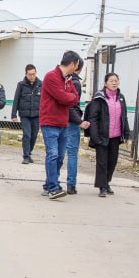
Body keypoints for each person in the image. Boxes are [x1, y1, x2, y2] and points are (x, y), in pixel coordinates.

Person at [39, 51, 81, 199]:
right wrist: (68, 97)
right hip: (50, 121)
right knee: (53, 154)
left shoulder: (68, 80)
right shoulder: (51, 76)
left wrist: (69, 97)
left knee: (60, 156)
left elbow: (75, 98)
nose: (76, 68)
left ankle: (50, 183)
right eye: (76, 65)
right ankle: (52, 188)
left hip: (63, 122)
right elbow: (63, 98)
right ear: (72, 64)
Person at [83, 72, 131, 197]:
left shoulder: (121, 98)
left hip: (115, 136)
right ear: (105, 83)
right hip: (101, 135)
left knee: (112, 161)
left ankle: (107, 182)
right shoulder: (99, 98)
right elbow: (92, 118)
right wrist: (95, 136)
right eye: (111, 81)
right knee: (102, 162)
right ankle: (102, 187)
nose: (114, 83)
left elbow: (124, 117)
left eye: (116, 80)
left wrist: (126, 135)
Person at [10, 64, 41, 164]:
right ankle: (26, 156)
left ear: (36, 73)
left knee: (34, 135)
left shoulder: (41, 84)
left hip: (37, 114)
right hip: (24, 114)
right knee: (27, 134)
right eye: (30, 74)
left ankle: (29, 152)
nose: (32, 76)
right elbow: (16, 99)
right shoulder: (21, 85)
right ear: (26, 74)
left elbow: (45, 101)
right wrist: (13, 114)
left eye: (33, 74)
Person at [63, 59, 85, 194]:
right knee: (71, 153)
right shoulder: (75, 82)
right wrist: (79, 121)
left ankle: (52, 183)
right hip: (72, 121)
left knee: (58, 153)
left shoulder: (64, 80)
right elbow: (72, 105)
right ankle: (71, 184)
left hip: (62, 119)